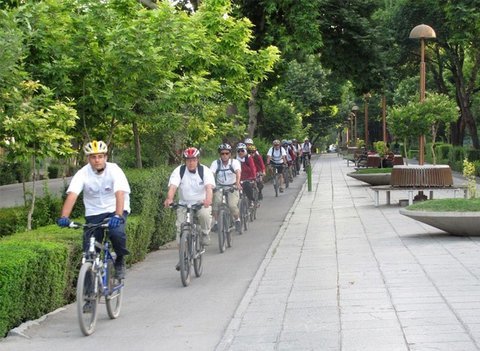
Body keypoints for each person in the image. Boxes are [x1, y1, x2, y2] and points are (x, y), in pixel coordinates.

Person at [57, 140, 131, 280]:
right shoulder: (82, 173)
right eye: (93, 157)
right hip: (94, 212)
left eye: (100, 156)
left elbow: (120, 193)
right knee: (89, 251)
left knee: (116, 233)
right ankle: (89, 294)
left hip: (115, 209)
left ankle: (120, 259)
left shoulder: (114, 170)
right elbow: (72, 195)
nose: (97, 160)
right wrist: (64, 217)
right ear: (88, 159)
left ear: (105, 157)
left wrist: (118, 215)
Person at [164, 147, 215, 269]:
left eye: (193, 160)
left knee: (204, 215)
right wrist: (169, 198)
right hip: (184, 204)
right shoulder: (179, 171)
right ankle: (183, 258)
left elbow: (209, 187)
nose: (191, 162)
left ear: (198, 160)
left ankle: (205, 233)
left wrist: (208, 200)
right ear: (185, 161)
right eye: (188, 160)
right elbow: (173, 187)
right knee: (180, 231)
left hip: (201, 203)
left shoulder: (205, 171)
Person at [210, 143, 242, 233]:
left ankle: (237, 220)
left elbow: (238, 172)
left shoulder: (234, 162)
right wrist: (210, 185)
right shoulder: (215, 163)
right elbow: (211, 174)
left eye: (226, 153)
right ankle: (216, 223)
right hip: (220, 186)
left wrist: (237, 183)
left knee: (232, 205)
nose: (224, 155)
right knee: (216, 204)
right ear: (220, 154)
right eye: (222, 153)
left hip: (232, 186)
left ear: (230, 154)